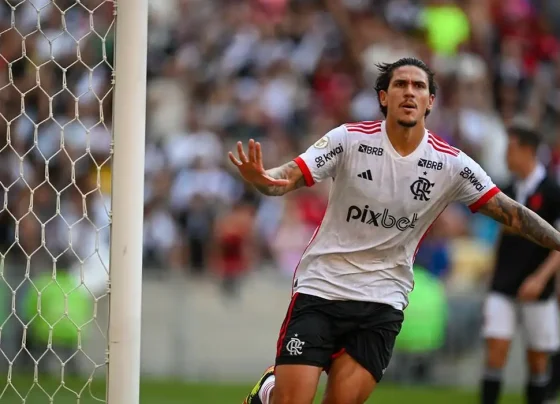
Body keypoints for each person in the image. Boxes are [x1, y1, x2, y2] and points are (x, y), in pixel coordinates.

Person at [228, 58, 560, 404]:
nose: (410, 92)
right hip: (322, 289)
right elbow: (287, 177)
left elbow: (515, 215)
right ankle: (269, 391)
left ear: (431, 101)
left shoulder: (451, 164)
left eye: (419, 86)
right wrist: (263, 180)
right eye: (401, 84)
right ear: (384, 97)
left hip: (381, 301)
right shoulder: (349, 140)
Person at [480, 125, 560, 404]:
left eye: (510, 149)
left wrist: (540, 279)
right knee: (495, 351)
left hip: (538, 290)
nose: (506, 156)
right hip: (502, 285)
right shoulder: (508, 190)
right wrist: (492, 269)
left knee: (538, 361)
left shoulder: (552, 192)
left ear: (527, 151)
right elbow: (500, 238)